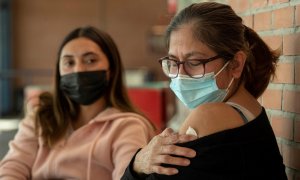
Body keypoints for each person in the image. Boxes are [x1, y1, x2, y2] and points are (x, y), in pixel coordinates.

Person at [122, 2, 287, 180]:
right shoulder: (250, 111)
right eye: (172, 62)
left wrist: (138, 163)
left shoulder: (210, 115)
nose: (180, 75)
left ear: (236, 64)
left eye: (194, 62)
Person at [0, 26, 156, 180]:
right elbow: (12, 168)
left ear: (111, 70)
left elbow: (126, 175)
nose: (78, 70)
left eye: (90, 60)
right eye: (69, 63)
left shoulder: (128, 126)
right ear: (59, 71)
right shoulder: (40, 118)